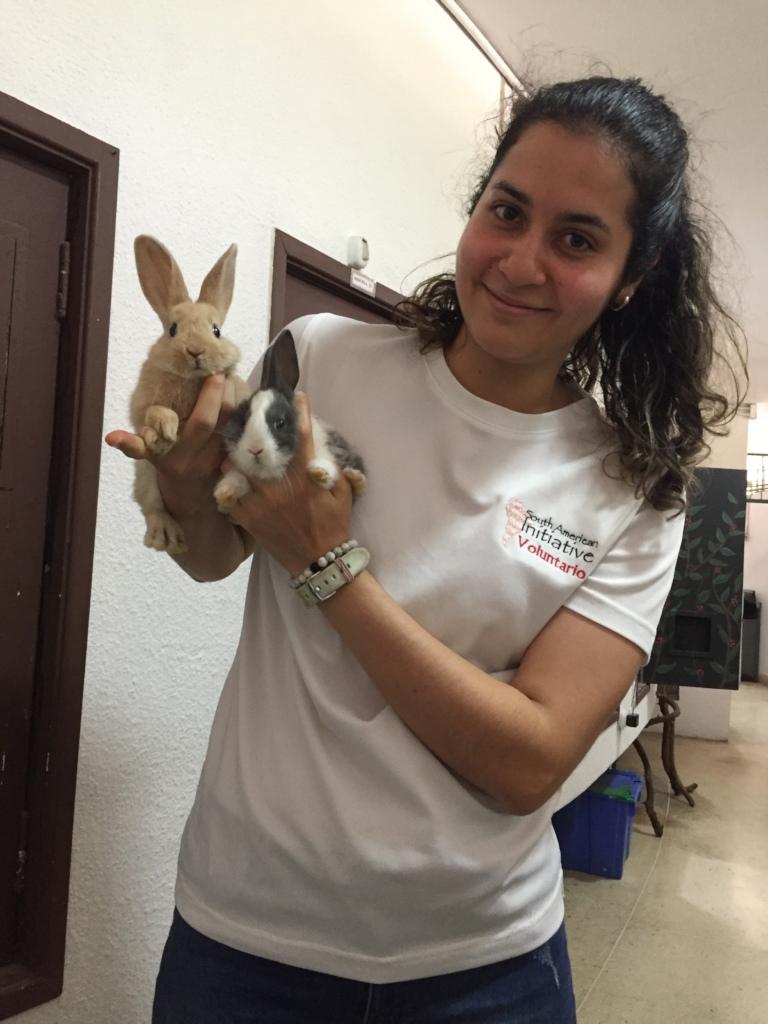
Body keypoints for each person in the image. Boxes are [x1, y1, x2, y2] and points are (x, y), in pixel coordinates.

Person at [107, 76, 745, 1023]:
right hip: (244, 937)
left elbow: (529, 760)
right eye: (507, 210)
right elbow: (215, 557)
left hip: (483, 968)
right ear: (477, 207)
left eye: (577, 239)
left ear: (629, 281)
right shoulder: (319, 355)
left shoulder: (634, 486)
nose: (521, 261)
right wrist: (190, 488)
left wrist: (330, 567)